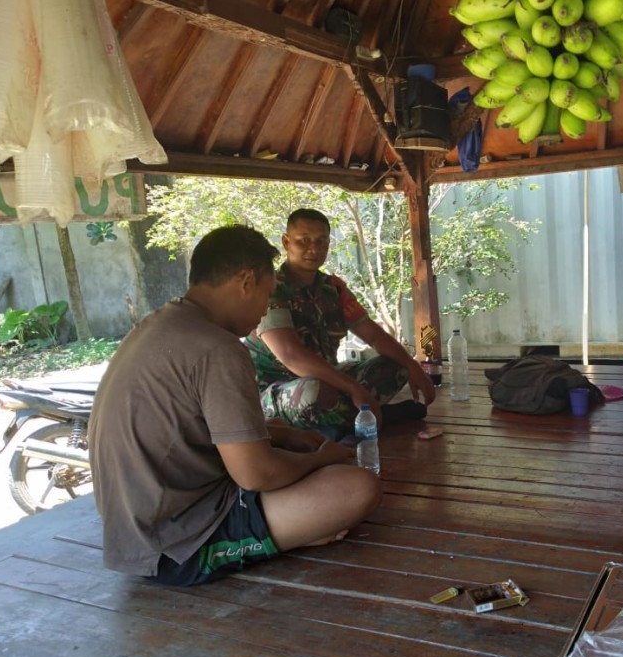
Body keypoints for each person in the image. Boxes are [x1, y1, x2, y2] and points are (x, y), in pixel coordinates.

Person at [88, 226, 381, 586]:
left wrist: (278, 435)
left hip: (136, 531)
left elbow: (193, 429)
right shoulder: (218, 348)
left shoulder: (159, 324)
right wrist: (324, 458)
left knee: (313, 477)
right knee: (355, 487)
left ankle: (285, 530)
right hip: (179, 545)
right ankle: (275, 538)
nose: (266, 310)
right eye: (267, 295)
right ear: (245, 281)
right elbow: (255, 474)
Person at [244, 207, 436, 437]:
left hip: (328, 379)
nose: (314, 249)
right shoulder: (272, 288)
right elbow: (291, 355)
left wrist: (412, 365)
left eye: (321, 241)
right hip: (278, 390)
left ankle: (349, 422)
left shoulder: (333, 288)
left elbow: (373, 336)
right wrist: (354, 388)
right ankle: (366, 418)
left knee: (395, 365)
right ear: (286, 242)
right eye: (303, 241)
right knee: (315, 391)